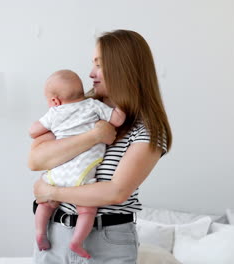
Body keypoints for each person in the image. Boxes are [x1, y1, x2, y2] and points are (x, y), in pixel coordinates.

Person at [29, 29, 173, 264]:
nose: (91, 73)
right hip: (55, 235)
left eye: (100, 65)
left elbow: (115, 192)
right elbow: (36, 160)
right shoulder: (75, 109)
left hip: (107, 242)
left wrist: (52, 192)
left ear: (123, 69)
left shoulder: (148, 130)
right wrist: (95, 136)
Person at [29, 69, 125, 259]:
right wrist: (122, 107)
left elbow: (33, 131)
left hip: (58, 174)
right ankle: (77, 242)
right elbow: (117, 119)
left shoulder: (54, 113)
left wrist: (51, 123)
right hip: (82, 173)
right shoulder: (93, 106)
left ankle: (40, 233)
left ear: (55, 100)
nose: (92, 73)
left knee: (45, 203)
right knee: (87, 209)